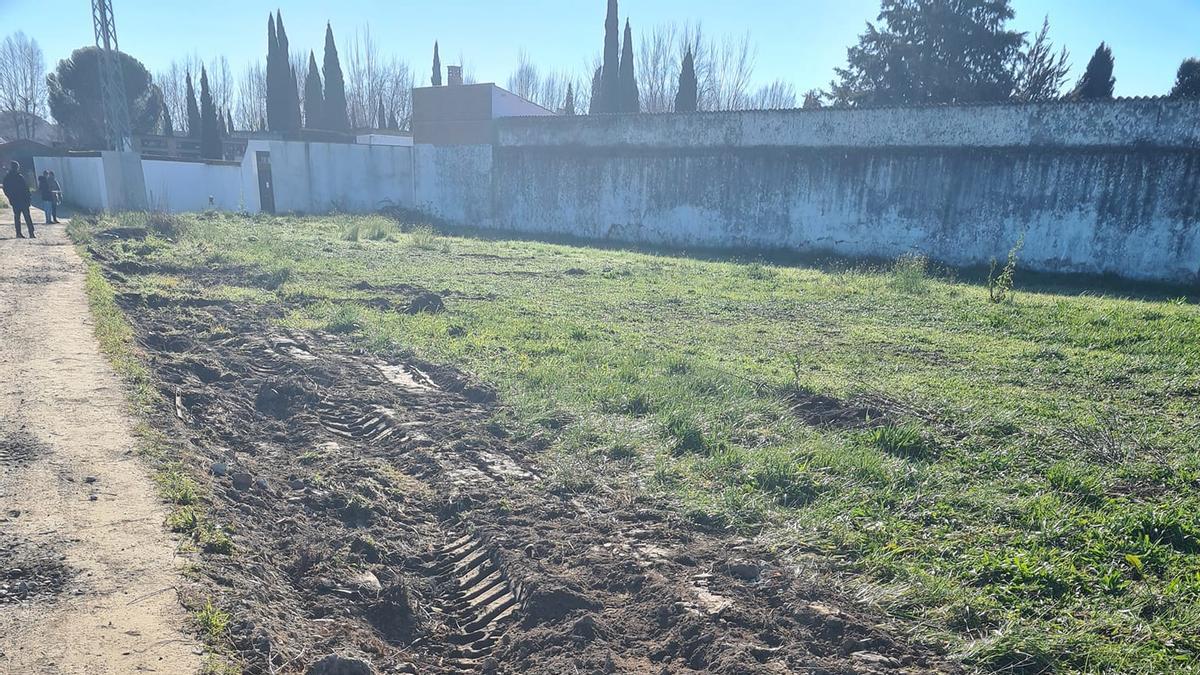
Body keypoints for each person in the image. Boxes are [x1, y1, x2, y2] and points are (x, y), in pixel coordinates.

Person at [2, 161, 34, 238]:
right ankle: (31, 233)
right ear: (17, 167)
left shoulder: (7, 178)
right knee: (27, 217)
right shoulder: (19, 177)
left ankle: (18, 233)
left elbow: (5, 189)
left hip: (15, 201)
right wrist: (28, 198)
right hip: (23, 200)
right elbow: (26, 188)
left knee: (17, 217)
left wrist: (10, 197)